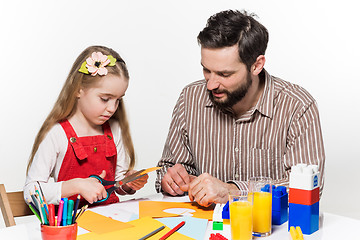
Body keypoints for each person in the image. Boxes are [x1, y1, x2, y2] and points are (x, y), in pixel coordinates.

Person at [156, 10, 325, 207]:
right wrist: (172, 180)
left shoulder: (297, 105)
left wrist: (233, 191)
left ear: (256, 66)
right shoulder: (190, 98)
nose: (210, 85)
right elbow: (165, 171)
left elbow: (308, 189)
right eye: (206, 70)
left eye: (224, 74)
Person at [24, 45, 148, 206]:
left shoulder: (114, 130)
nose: (112, 108)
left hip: (110, 222)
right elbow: (30, 193)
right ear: (78, 90)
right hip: (72, 225)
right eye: (105, 99)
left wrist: (128, 183)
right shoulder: (57, 134)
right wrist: (76, 186)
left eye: (118, 100)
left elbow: (117, 185)